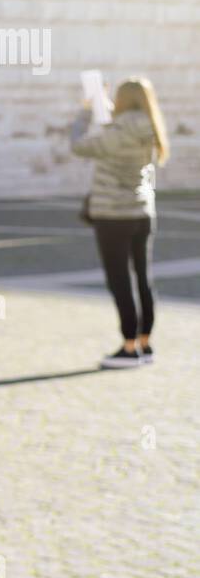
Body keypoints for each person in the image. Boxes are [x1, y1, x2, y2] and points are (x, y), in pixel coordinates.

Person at [69, 76, 170, 370]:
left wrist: (86, 111)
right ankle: (145, 341)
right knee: (142, 278)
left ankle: (128, 348)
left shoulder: (117, 131)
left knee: (120, 281)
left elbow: (79, 146)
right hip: (143, 212)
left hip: (114, 215)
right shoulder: (151, 127)